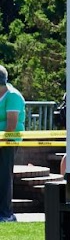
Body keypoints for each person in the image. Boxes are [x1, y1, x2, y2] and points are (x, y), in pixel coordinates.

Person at [0, 65, 20, 222]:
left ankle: (6, 214)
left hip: (8, 141)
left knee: (4, 177)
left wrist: (2, 141)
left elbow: (11, 126)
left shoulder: (13, 96)